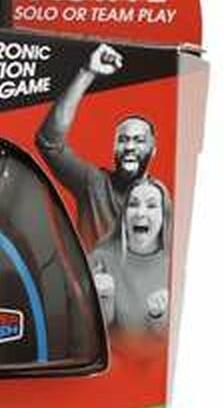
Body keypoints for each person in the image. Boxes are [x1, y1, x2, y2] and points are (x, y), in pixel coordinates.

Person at [35, 42, 156, 249]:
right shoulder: (94, 185)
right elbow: (50, 142)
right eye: (123, 140)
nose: (129, 146)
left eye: (139, 140)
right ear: (114, 148)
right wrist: (87, 72)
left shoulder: (160, 202)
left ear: (153, 150)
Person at [89, 177, 171, 340]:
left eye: (151, 205)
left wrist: (158, 315)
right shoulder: (101, 258)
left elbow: (175, 340)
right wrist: (104, 298)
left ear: (164, 216)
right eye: (133, 204)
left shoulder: (176, 263)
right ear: (124, 215)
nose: (140, 213)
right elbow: (92, 330)